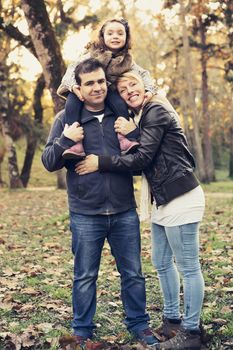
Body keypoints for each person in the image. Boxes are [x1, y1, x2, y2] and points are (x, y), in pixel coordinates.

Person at [76, 71, 205, 350]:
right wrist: (132, 131)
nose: (128, 90)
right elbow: (148, 150)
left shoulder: (156, 109)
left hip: (180, 194)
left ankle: (192, 332)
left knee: (188, 267)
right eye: (122, 89)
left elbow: (143, 157)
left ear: (144, 86)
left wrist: (102, 162)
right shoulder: (141, 116)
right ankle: (172, 321)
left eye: (132, 84)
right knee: (160, 262)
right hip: (162, 198)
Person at [41, 59, 159, 347]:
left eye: (100, 81)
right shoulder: (65, 120)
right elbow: (48, 162)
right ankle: (82, 331)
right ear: (78, 89)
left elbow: (140, 162)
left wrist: (115, 151)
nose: (97, 87)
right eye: (89, 83)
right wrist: (64, 141)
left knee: (132, 273)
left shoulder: (121, 117)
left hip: (123, 211)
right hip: (85, 213)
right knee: (84, 276)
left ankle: (139, 324)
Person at [57, 18, 156, 160]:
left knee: (120, 104)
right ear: (102, 37)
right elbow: (71, 70)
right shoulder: (92, 54)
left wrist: (149, 90)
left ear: (126, 38)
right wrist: (73, 86)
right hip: (82, 89)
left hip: (108, 90)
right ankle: (75, 143)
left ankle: (123, 138)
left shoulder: (127, 59)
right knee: (71, 104)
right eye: (110, 33)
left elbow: (144, 74)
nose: (115, 36)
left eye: (120, 33)